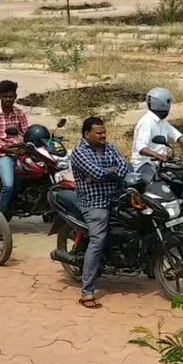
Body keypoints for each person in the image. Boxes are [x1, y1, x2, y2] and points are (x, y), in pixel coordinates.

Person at [70, 116, 129, 309]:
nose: (103, 136)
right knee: (98, 240)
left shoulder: (109, 147)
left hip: (117, 197)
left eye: (104, 132)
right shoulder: (79, 152)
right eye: (99, 133)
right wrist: (110, 171)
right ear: (87, 134)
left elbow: (124, 166)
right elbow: (96, 173)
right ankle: (87, 291)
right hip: (94, 202)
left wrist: (109, 171)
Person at [0, 80, 29, 219]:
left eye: (11, 96)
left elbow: (27, 133)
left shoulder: (20, 113)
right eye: (5, 96)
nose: (8, 99)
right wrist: (11, 151)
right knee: (8, 186)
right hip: (3, 154)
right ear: (0, 96)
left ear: (15, 96)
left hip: (21, 151)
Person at [131, 87, 183, 178]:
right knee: (160, 184)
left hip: (160, 162)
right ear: (161, 104)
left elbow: (176, 134)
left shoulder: (162, 121)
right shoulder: (146, 122)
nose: (169, 107)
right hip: (144, 164)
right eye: (168, 104)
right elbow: (141, 148)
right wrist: (157, 155)